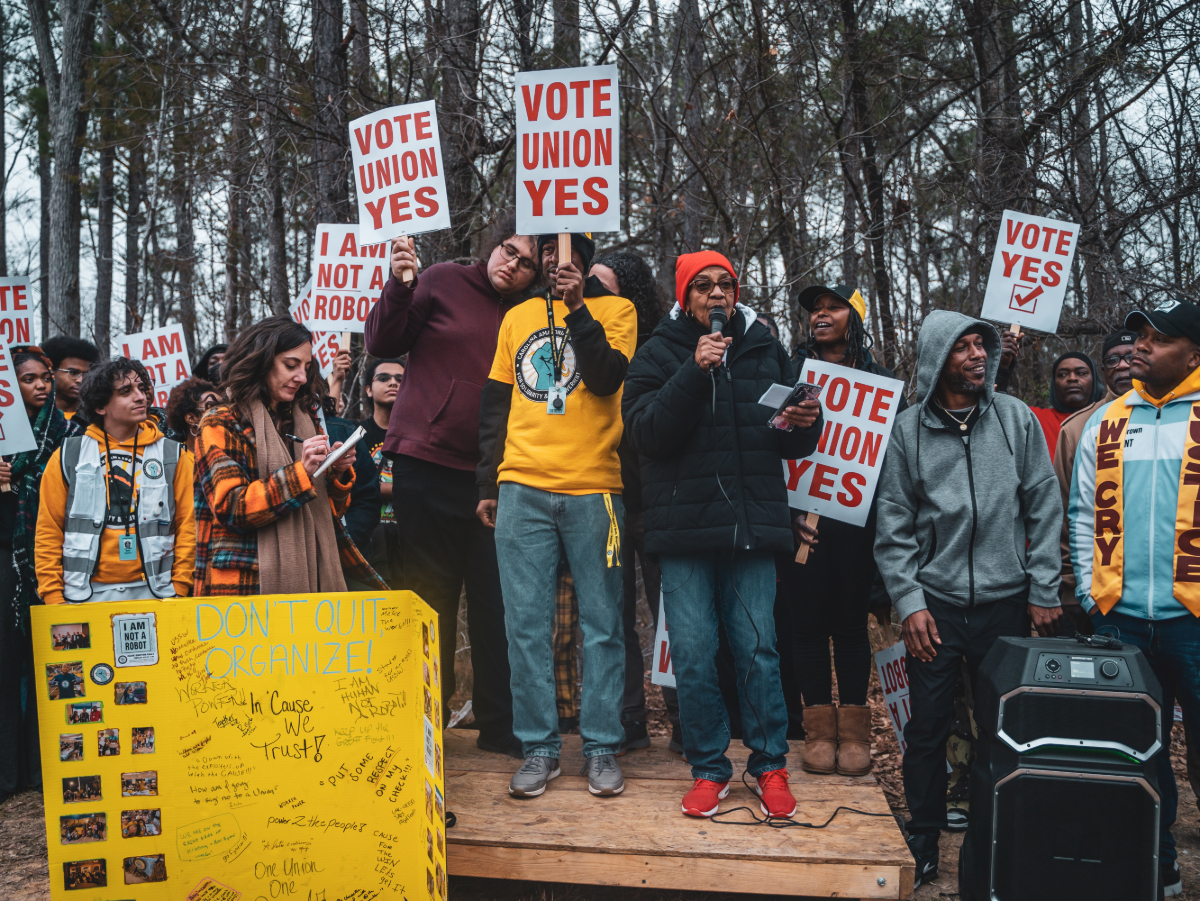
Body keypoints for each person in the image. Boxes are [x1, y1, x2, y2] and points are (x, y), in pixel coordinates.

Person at [622, 251, 823, 819]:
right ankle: (709, 769)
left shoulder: (762, 346)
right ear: (684, 297)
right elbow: (646, 435)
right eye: (703, 286)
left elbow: (788, 434)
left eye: (725, 285)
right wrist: (694, 368)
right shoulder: (657, 353)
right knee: (694, 654)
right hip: (684, 535)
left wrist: (807, 422)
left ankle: (769, 766)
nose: (716, 295)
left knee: (758, 651)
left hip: (752, 531)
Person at [874, 310, 1062, 889]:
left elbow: (1044, 503)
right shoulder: (907, 431)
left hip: (1007, 604)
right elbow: (894, 526)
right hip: (937, 608)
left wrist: (1043, 586)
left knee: (1002, 728)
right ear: (938, 358)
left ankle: (993, 839)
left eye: (983, 345)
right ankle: (925, 838)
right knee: (928, 729)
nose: (980, 354)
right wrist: (909, 603)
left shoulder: (1014, 418)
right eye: (965, 347)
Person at [364, 212, 538, 758]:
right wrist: (400, 283)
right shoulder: (441, 278)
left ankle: (499, 725)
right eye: (509, 250)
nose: (512, 264)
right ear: (494, 245)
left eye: (527, 262)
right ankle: (426, 720)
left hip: (498, 475)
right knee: (430, 600)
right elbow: (383, 339)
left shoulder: (534, 313)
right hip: (426, 466)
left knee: (495, 602)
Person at [477, 231, 636, 799]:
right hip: (521, 485)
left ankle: (599, 748)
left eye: (563, 250)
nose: (552, 258)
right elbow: (496, 403)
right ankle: (540, 749)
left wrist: (575, 310)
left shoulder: (616, 309)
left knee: (602, 626)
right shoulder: (517, 316)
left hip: (595, 487)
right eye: (545, 251)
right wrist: (488, 482)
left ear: (585, 259)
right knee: (524, 625)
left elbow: (605, 376)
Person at [1067, 299, 1200, 899]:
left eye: (1158, 339)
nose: (1140, 346)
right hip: (1120, 620)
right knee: (1136, 758)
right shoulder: (1109, 420)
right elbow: (1079, 514)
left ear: (1193, 354)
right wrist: (1092, 598)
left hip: (1193, 623)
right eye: (1138, 336)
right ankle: (1161, 864)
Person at [784, 283, 905, 777]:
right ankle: (818, 732)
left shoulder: (880, 383)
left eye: (833, 307)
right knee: (808, 629)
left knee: (851, 630)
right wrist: (786, 514)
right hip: (804, 526)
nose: (821, 314)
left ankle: (854, 734)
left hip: (861, 527)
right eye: (815, 309)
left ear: (853, 318)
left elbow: (896, 462)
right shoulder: (794, 377)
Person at [193, 317, 384, 596]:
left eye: (307, 368)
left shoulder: (306, 418)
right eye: (290, 365)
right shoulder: (219, 421)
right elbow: (231, 507)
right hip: (245, 588)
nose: (302, 378)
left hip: (312, 579)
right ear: (261, 360)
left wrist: (338, 471)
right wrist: (301, 473)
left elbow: (330, 512)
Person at [591, 249, 680, 754]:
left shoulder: (660, 350)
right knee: (610, 616)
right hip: (603, 498)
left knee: (675, 615)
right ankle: (627, 722)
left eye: (603, 289)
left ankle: (685, 717)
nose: (592, 298)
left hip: (657, 500)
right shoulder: (578, 346)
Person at [35, 358, 196, 603]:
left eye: (142, 388)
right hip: (81, 597)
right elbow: (49, 531)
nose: (141, 397)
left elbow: (189, 527)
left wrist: (179, 588)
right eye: (126, 391)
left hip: (158, 594)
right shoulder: (69, 455)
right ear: (100, 406)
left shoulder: (174, 455)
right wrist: (54, 598)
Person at [0, 345, 79, 800]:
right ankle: (9, 771)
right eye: (29, 379)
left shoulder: (64, 432)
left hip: (50, 562)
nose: (42, 385)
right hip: (7, 563)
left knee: (48, 665)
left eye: (45, 377)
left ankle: (43, 767)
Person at [1051, 329, 1137, 635]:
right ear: (1104, 371)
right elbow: (1062, 513)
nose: (1123, 366)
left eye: (1130, 356)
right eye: (1114, 359)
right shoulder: (1078, 428)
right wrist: (1073, 589)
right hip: (1095, 594)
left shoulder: (1184, 417)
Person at [997, 334, 1104, 457]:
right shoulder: (1035, 419)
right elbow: (998, 410)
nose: (1072, 378)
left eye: (1081, 373)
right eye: (1063, 374)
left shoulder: (1111, 418)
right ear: (1054, 383)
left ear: (1094, 380)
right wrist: (1001, 367)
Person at [360, 357, 405, 586]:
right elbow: (354, 487)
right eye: (384, 378)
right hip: (370, 542)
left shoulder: (419, 438)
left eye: (400, 379)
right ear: (368, 389)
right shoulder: (357, 435)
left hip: (410, 542)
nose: (393, 383)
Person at [42, 336, 101, 419]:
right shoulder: (32, 416)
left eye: (86, 374)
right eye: (73, 373)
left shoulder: (97, 418)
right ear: (51, 371)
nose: (80, 380)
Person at [165, 378, 221, 454]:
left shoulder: (233, 446)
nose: (222, 412)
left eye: (223, 406)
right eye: (212, 409)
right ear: (191, 418)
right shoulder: (179, 459)